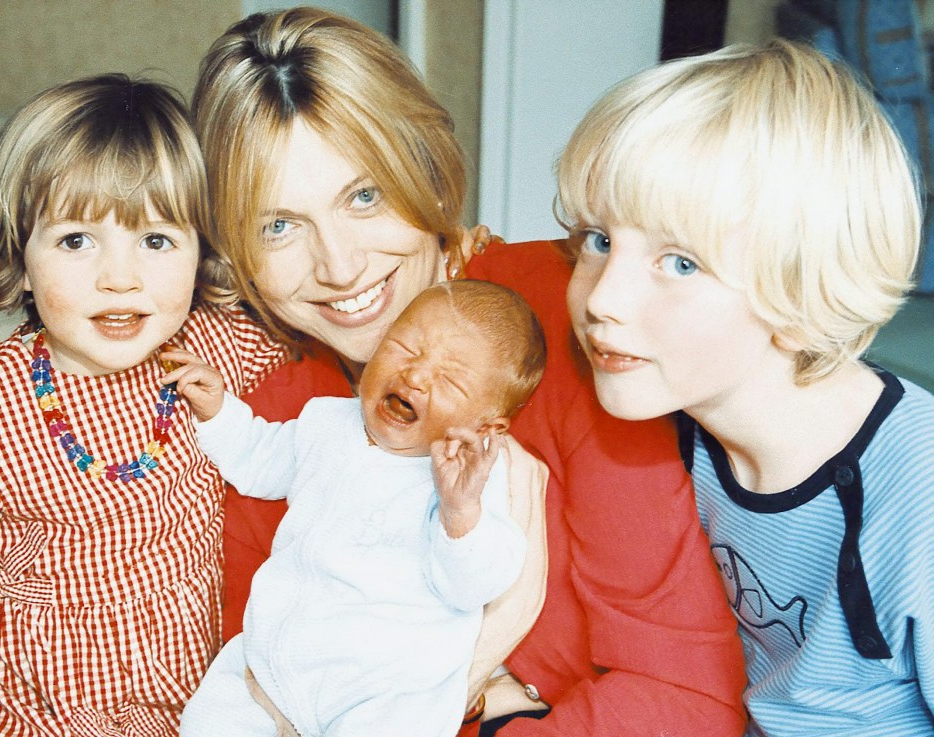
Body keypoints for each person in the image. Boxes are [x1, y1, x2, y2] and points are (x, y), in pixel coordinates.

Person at [192, 7, 747, 736]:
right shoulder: (276, 413)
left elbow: (685, 696)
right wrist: (479, 676)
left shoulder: (571, 316)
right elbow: (268, 696)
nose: (340, 266)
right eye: (279, 225)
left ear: (428, 174)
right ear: (236, 248)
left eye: (365, 196)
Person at [561, 39, 934, 736]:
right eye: (599, 239)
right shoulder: (672, 427)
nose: (604, 297)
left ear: (801, 295)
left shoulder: (919, 486)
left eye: (679, 261)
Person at [0, 74, 288, 736]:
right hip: (36, 704)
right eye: (76, 240)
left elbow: (330, 344)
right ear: (21, 260)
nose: (120, 277)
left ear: (202, 252)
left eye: (156, 240)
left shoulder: (219, 343)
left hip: (193, 696)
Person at [170, 280, 545, 737]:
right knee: (210, 719)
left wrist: (460, 513)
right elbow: (260, 459)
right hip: (276, 660)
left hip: (388, 692)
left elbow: (475, 584)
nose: (416, 376)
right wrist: (218, 411)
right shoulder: (325, 421)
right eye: (404, 347)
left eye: (449, 379)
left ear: (486, 426)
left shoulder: (471, 480)